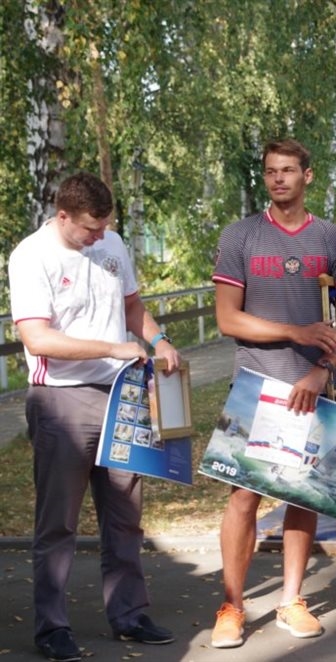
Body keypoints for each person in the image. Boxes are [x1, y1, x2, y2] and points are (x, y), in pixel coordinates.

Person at [9, 172, 180, 662]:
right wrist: (111, 347)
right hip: (61, 401)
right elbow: (37, 338)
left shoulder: (112, 243)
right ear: (63, 216)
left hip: (122, 395)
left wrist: (158, 339)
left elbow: (131, 305)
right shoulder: (30, 256)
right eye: (90, 228)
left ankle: (130, 615)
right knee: (58, 523)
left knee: (125, 516)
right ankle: (52, 628)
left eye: (105, 225)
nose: (100, 235)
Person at [209, 139, 336, 648]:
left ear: (307, 176)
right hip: (255, 384)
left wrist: (324, 369)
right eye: (271, 171)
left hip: (312, 386)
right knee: (243, 496)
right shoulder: (240, 236)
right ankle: (232, 605)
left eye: (289, 170)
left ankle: (291, 599)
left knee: (303, 495)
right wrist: (296, 332)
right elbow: (228, 318)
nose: (279, 179)